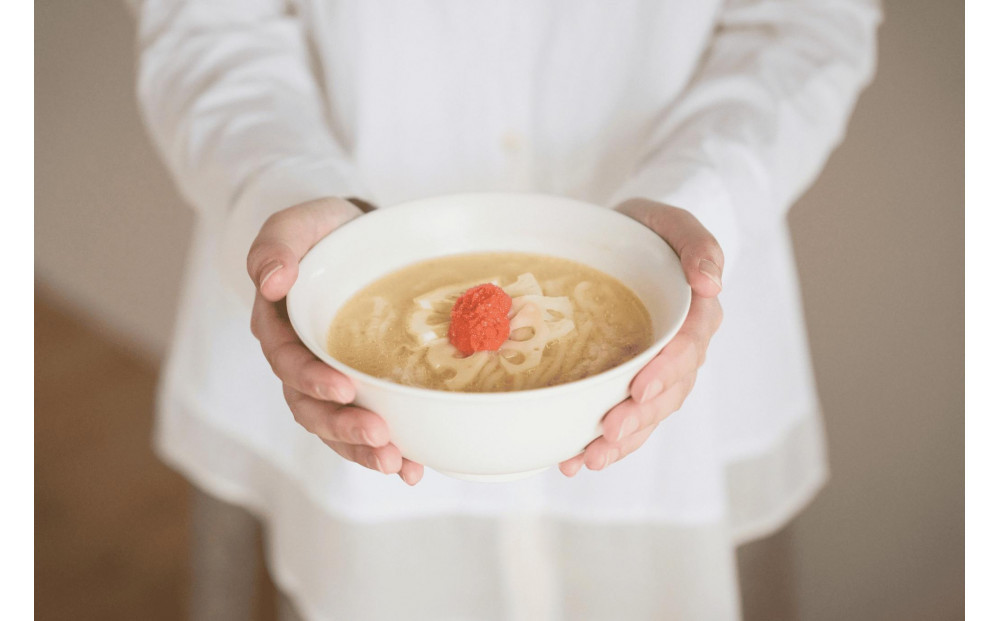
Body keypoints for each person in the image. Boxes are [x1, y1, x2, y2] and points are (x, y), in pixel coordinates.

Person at [134, 1, 879, 619]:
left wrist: (702, 195)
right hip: (325, 355)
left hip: (677, 393)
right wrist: (279, 189)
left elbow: (806, 21)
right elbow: (207, 22)